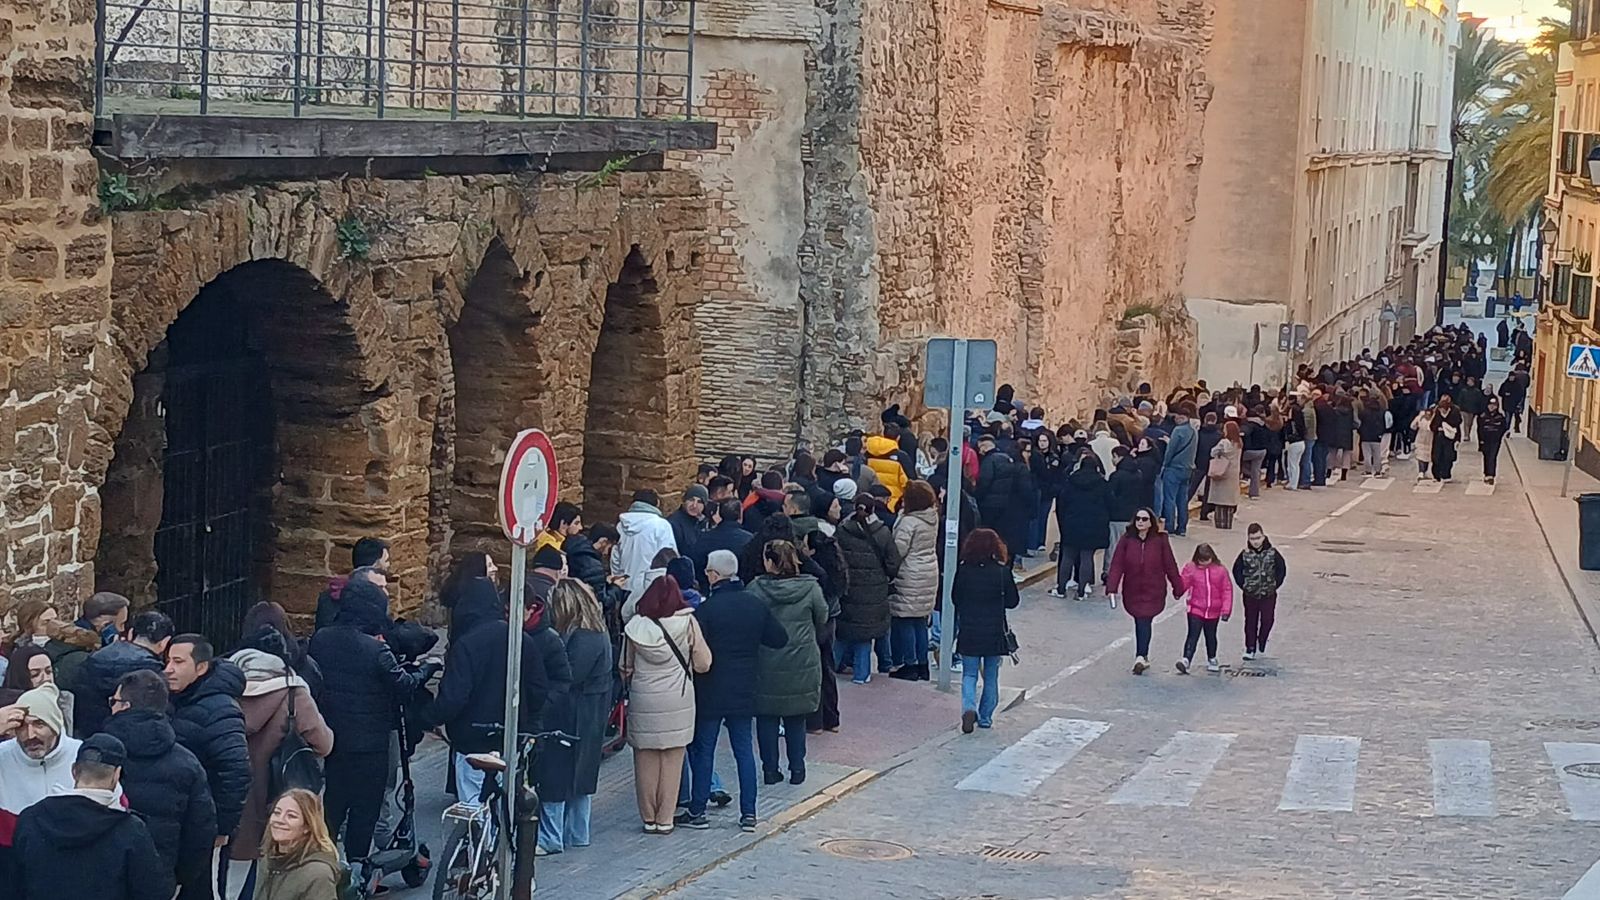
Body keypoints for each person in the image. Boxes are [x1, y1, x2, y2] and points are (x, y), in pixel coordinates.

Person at [307, 578, 433, 863]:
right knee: (365, 808)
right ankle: (356, 865)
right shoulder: (376, 651)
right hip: (370, 744)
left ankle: (323, 861)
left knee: (334, 802)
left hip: (334, 738)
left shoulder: (322, 640)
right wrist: (426, 669)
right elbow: (404, 685)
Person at [678, 550, 787, 832]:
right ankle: (749, 813)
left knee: (705, 750)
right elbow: (779, 638)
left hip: (710, 689)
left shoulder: (707, 610)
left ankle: (698, 810)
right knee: (744, 751)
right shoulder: (754, 604)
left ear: (714, 575)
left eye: (708, 572)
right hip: (745, 687)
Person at [422, 577, 548, 804]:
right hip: (511, 737)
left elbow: (454, 697)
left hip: (472, 741)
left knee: (473, 803)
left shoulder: (467, 644)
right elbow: (538, 689)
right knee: (506, 801)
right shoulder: (520, 639)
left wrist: (429, 718)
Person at [225, 647, 334, 898]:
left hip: (236, 800)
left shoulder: (226, 697)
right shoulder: (293, 694)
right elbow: (324, 744)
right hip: (282, 795)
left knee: (230, 883)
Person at [101, 670, 216, 900]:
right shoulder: (188, 763)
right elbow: (201, 831)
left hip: (104, 876)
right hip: (159, 879)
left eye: (114, 701)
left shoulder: (99, 755)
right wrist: (179, 877)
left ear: (125, 706)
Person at [11, 733, 166, 900]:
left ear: (74, 771)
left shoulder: (30, 819)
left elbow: (13, 885)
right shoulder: (131, 830)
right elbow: (153, 893)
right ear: (116, 775)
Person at [621, 576, 710, 834]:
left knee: (645, 759)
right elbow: (704, 663)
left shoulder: (634, 627)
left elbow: (624, 666)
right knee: (672, 761)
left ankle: (648, 818)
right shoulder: (688, 623)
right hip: (678, 698)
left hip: (644, 698)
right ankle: (665, 819)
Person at [165, 633, 250, 890]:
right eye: (167, 660)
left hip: (204, 825)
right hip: (178, 818)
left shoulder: (222, 709)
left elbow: (236, 771)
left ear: (201, 668)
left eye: (178, 662)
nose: (169, 669)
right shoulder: (173, 698)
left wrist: (222, 827)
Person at [536, 580, 612, 855]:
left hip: (573, 717)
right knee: (580, 778)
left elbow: (569, 676)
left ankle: (552, 836)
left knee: (557, 776)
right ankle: (577, 834)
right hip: (587, 717)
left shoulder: (584, 638)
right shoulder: (595, 634)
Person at [748, 541, 827, 787]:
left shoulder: (755, 589)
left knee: (766, 718)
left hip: (766, 661)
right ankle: (797, 769)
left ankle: (770, 770)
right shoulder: (810, 588)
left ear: (769, 562)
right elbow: (822, 616)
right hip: (801, 661)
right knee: (796, 718)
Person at [0, 683, 97, 884]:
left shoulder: (83, 755)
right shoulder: (3, 756)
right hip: (14, 872)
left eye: (39, 724)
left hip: (74, 869)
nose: (30, 735)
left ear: (55, 725)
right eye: (22, 726)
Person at [951, 529, 1020, 734]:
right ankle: (986, 717)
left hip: (969, 629)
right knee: (991, 676)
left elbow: (955, 598)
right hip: (994, 630)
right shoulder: (1002, 572)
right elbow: (1013, 601)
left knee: (969, 673)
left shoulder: (964, 570)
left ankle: (968, 707)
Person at [1105, 508, 1183, 675]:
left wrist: (1178, 586)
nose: (1140, 522)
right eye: (1138, 519)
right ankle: (1142, 655)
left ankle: (1141, 655)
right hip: (1132, 589)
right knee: (1141, 620)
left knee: (1143, 620)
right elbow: (1117, 564)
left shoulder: (1160, 541)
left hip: (1154, 589)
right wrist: (1112, 586)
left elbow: (1170, 564)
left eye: (1144, 519)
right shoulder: (1126, 540)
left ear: (1150, 522)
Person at [73, 609, 173, 736]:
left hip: (89, 732)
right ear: (164, 643)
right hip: (132, 736)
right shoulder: (153, 672)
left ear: (130, 633)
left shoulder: (94, 658)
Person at [833, 495, 899, 683]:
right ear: (873, 509)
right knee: (865, 634)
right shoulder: (882, 532)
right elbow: (893, 562)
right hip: (874, 591)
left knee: (843, 632)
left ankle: (830, 668)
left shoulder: (842, 530)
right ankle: (861, 675)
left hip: (848, 588)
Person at [888, 481, 939, 680]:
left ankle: (910, 665)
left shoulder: (909, 522)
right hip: (928, 572)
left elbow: (898, 550)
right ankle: (923, 664)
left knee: (905, 619)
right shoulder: (931, 517)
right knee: (920, 620)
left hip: (910, 574)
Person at [254, 789, 343, 900]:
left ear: (307, 826)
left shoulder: (318, 873)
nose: (279, 820)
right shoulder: (268, 859)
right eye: (277, 813)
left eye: (291, 816)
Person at [1052, 452, 1111, 600]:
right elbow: (1110, 503)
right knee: (1087, 556)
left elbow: (1062, 502)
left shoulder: (1071, 481)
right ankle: (1081, 591)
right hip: (1093, 524)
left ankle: (1061, 589)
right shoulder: (1102, 483)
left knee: (1067, 556)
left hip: (1072, 522)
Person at [613, 489, 680, 603]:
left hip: (624, 587)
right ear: (656, 504)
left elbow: (615, 557)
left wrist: (618, 581)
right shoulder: (661, 525)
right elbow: (669, 558)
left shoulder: (621, 525)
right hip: (651, 588)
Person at [1232, 524, 1288, 660]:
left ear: (1263, 536)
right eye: (1252, 539)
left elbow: (1281, 569)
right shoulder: (1245, 554)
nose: (1255, 542)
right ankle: (1250, 647)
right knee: (1250, 621)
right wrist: (1245, 586)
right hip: (1250, 594)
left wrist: (1274, 585)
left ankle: (1262, 639)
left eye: (1258, 538)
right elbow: (1236, 571)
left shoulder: (1272, 553)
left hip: (1268, 594)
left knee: (1267, 620)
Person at [1176, 544, 1233, 674]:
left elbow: (1226, 590)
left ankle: (1212, 658)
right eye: (1202, 560)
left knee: (1211, 636)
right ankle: (1186, 659)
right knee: (1192, 635)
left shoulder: (1220, 570)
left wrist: (1226, 610)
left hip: (1213, 610)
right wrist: (1178, 591)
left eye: (1207, 559)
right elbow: (1184, 582)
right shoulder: (1191, 568)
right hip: (1196, 608)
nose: (1205, 563)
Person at [313, 536, 389, 630]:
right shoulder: (376, 598)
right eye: (386, 561)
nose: (388, 565)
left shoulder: (330, 593)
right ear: (376, 565)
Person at [0, 646, 73, 728]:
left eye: (49, 671)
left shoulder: (63, 700)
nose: (46, 678)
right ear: (20, 677)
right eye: (35, 674)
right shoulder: (6, 709)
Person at [692, 498, 754, 589]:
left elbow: (697, 566)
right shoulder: (749, 539)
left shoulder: (703, 538)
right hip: (741, 589)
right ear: (740, 515)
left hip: (708, 589)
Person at [1159, 405, 1198, 536]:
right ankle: (1182, 528)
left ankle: (1169, 526)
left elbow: (1170, 450)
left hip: (1174, 468)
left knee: (1169, 498)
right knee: (1182, 499)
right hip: (1188, 468)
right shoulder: (1194, 431)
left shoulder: (1178, 430)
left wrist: (1165, 464)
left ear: (1181, 417)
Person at [1208, 422, 1242, 530]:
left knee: (1220, 502)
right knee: (1229, 502)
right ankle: (1228, 524)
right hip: (1233, 474)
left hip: (1222, 472)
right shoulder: (1239, 443)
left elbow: (1213, 452)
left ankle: (1220, 525)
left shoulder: (1224, 442)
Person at [668, 486, 710, 560]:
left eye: (699, 502)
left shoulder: (703, 522)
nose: (694, 505)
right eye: (691, 500)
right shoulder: (674, 523)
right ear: (684, 501)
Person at [1430, 395, 1463, 483]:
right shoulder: (1437, 412)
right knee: (1437, 457)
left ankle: (1446, 474)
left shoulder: (1455, 412)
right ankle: (1436, 475)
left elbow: (1457, 426)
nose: (1442, 411)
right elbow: (1432, 425)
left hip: (1450, 438)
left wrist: (1457, 439)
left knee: (1448, 457)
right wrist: (1438, 428)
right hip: (1439, 438)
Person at [1479, 396, 1509, 485]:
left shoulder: (1500, 417)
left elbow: (1504, 428)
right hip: (1485, 440)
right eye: (1490, 405)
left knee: (1492, 456)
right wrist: (1481, 440)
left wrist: (1499, 436)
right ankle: (1486, 473)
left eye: (1494, 405)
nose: (1492, 407)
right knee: (1486, 456)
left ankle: (1491, 475)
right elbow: (1480, 429)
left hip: (1495, 440)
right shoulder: (1483, 416)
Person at [1411, 404, 1435, 480]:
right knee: (1421, 456)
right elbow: (1413, 426)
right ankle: (1421, 472)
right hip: (1423, 439)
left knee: (1425, 456)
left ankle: (1424, 471)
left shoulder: (1432, 419)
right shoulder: (1421, 418)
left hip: (1427, 440)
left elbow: (1413, 426)